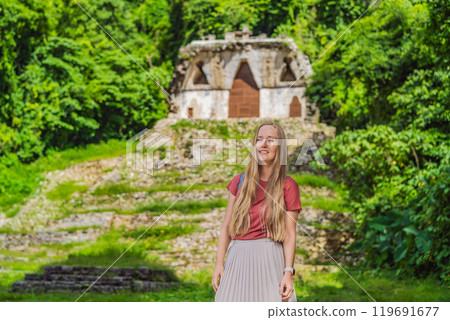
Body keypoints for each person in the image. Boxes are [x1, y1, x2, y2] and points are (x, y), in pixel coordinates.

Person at [212, 122, 302, 302]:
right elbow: (226, 227)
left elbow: (290, 234)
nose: (264, 144)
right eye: (259, 139)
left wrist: (288, 273)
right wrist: (218, 264)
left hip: (270, 260)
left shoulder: (288, 186)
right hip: (237, 260)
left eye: (271, 140)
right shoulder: (239, 182)